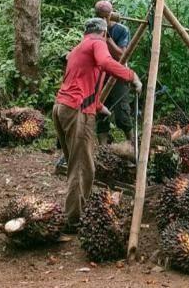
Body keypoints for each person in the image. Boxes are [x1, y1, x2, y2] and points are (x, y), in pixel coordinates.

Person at [53, 17, 142, 231]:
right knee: (83, 168)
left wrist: (99, 106)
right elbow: (105, 62)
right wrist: (132, 76)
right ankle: (73, 220)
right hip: (76, 110)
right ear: (103, 33)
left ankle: (75, 210)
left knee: (79, 164)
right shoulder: (97, 43)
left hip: (61, 108)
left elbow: (80, 80)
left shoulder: (78, 48)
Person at [93, 0, 134, 146]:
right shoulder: (93, 29)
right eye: (100, 16)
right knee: (100, 111)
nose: (104, 19)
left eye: (106, 16)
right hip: (100, 75)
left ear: (112, 14)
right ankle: (103, 150)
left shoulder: (122, 30)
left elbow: (121, 56)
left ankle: (132, 145)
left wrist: (107, 38)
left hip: (118, 75)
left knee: (122, 113)